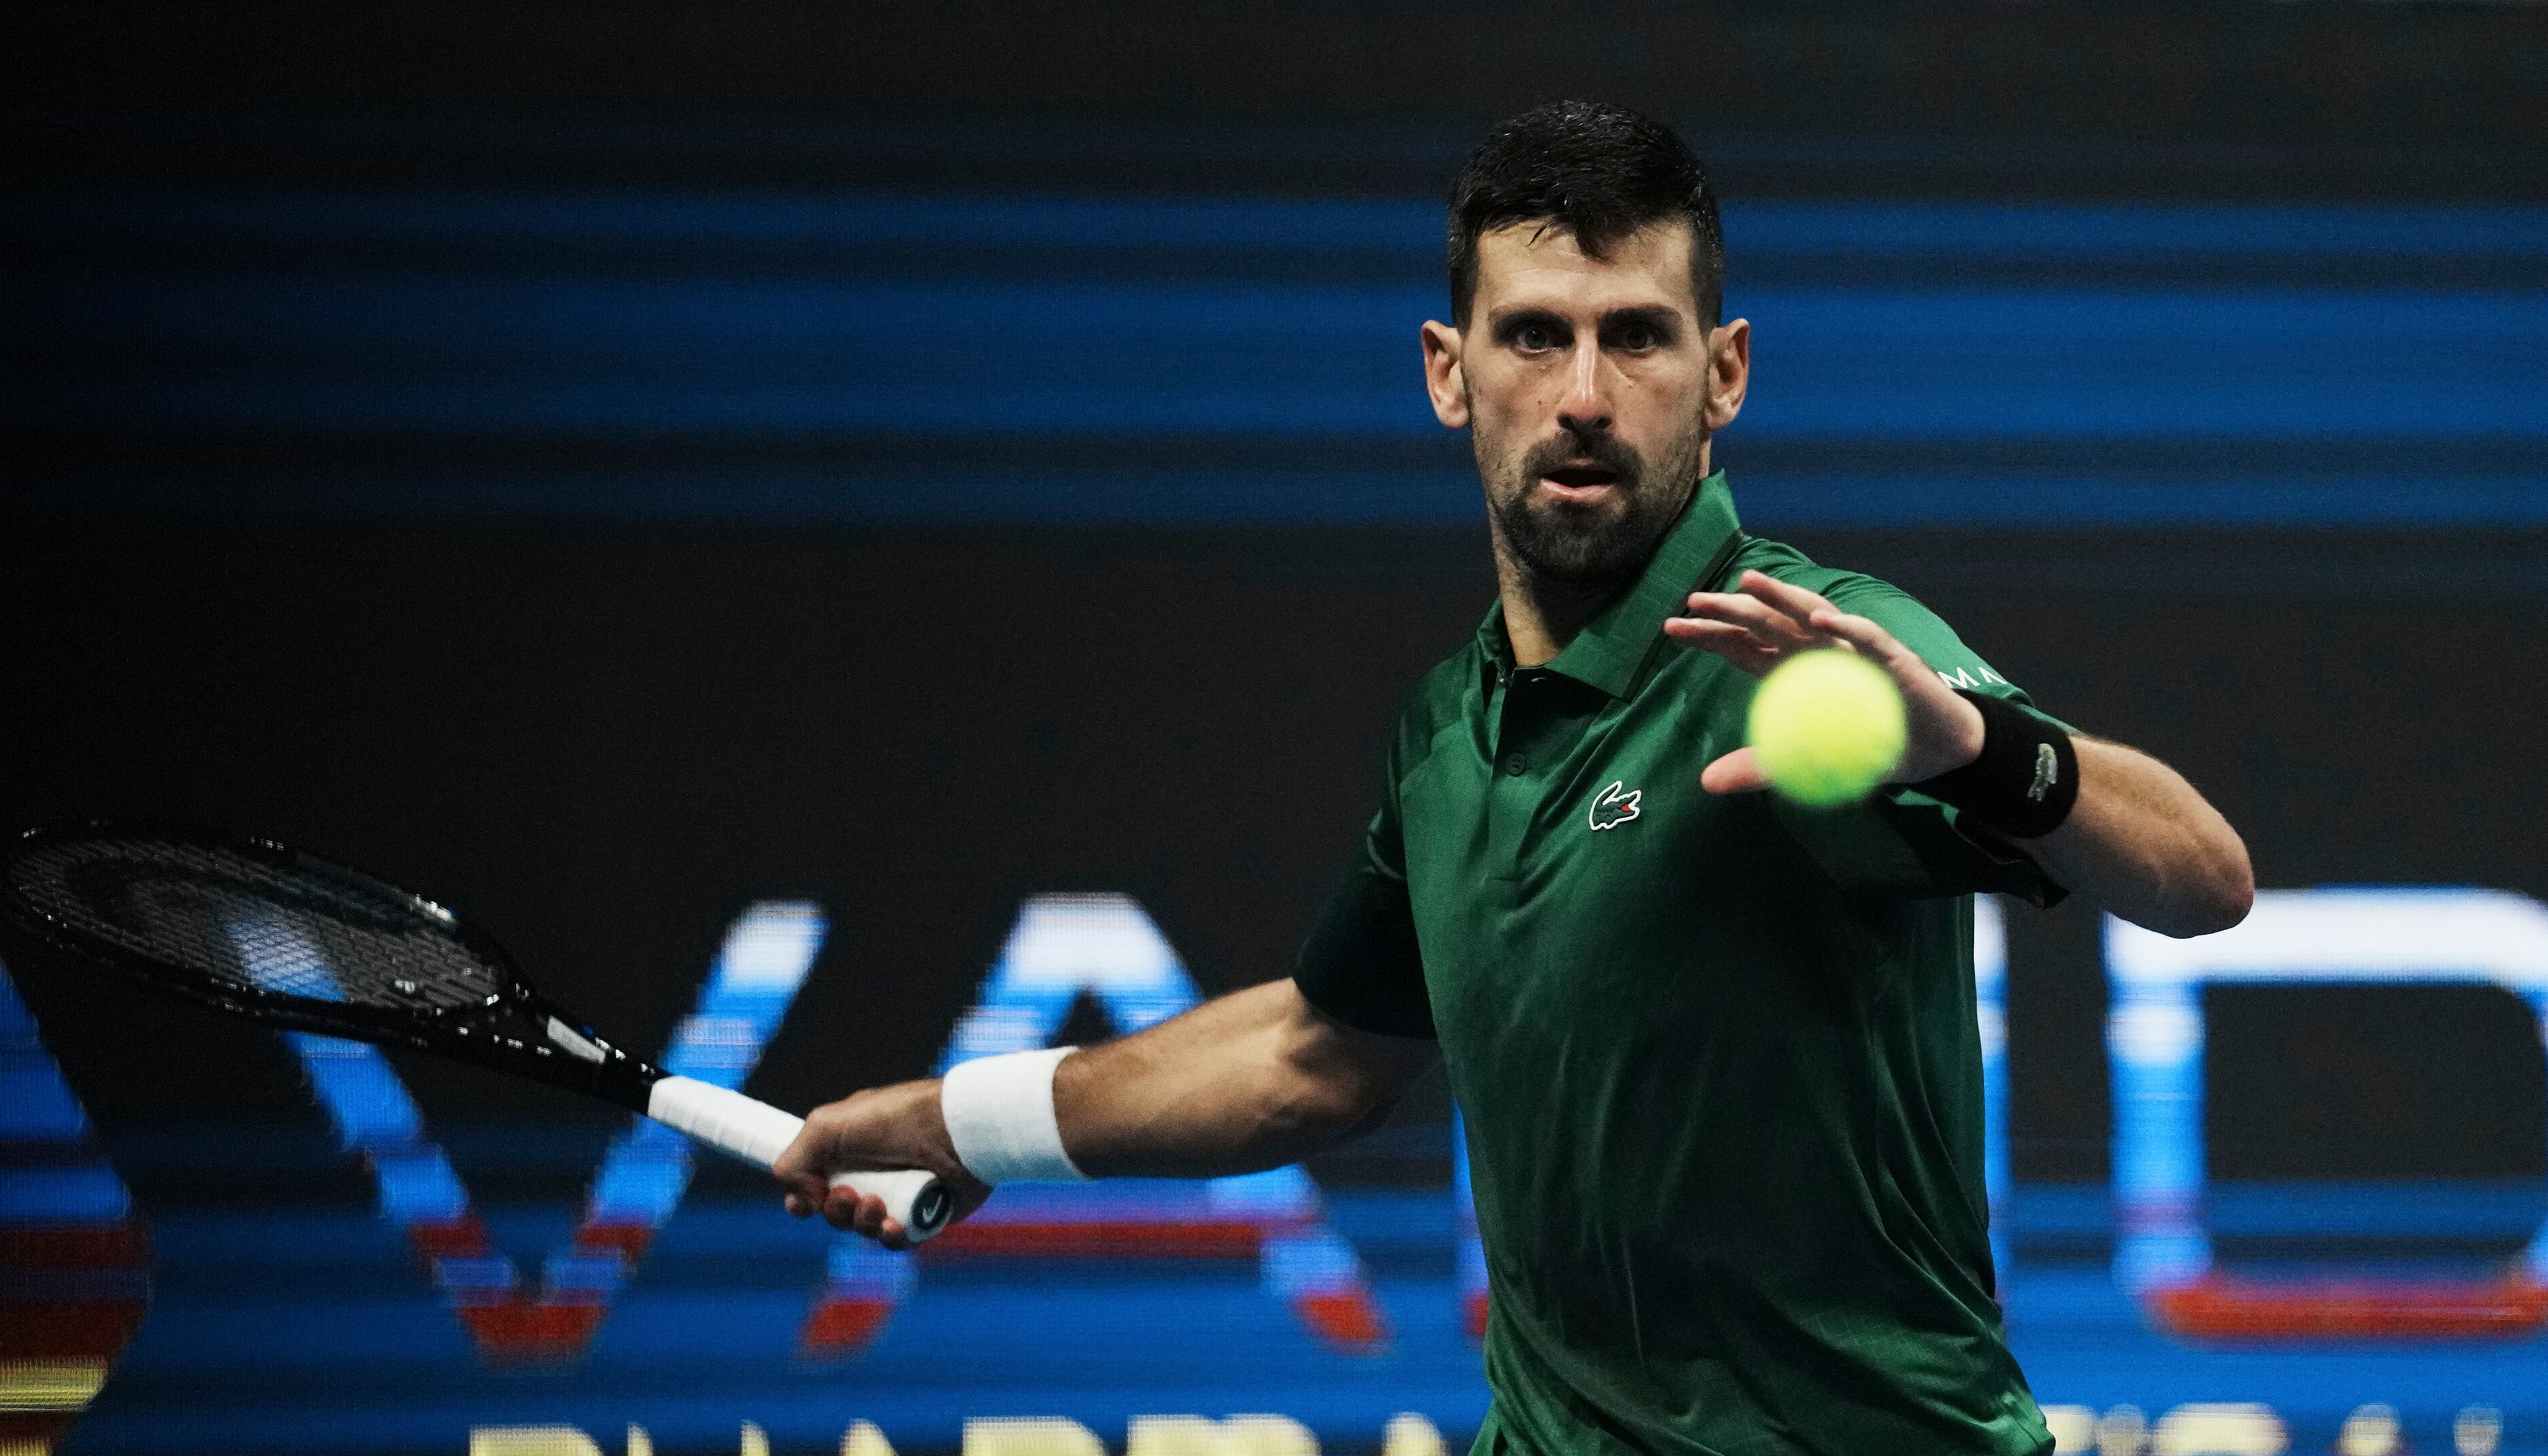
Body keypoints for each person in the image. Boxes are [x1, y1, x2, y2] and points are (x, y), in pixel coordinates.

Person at [775, 100, 2253, 1455]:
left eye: (1641, 338)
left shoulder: (1816, 662)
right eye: (1536, 335)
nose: (1587, 395)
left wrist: (1981, 748)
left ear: (1724, 374)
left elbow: (2201, 878)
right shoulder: (1447, 731)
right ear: (1449, 371)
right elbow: (1312, 1060)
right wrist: (962, 1124)